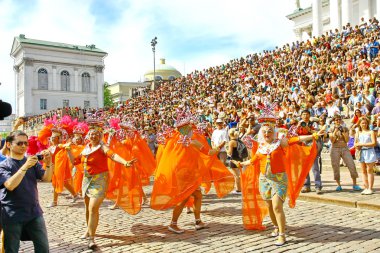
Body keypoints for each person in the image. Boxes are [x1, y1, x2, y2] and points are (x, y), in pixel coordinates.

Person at [232, 104, 320, 246]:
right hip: (264, 179)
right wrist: (241, 164)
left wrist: (312, 135)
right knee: (270, 206)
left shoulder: (280, 143)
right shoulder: (261, 147)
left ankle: (282, 234)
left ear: (274, 131)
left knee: (277, 206)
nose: (267, 134)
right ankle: (276, 226)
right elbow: (253, 161)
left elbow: (295, 140)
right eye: (265, 131)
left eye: (270, 131)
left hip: (279, 179)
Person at [150, 109, 234, 234]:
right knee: (184, 198)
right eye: (190, 128)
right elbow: (209, 153)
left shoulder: (175, 141)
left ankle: (198, 221)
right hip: (187, 175)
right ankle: (173, 224)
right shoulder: (192, 142)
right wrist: (219, 147)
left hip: (183, 173)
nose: (192, 130)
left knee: (197, 196)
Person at [66, 121, 138, 249]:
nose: (93, 136)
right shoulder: (86, 148)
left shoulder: (102, 147)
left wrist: (125, 162)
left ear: (100, 136)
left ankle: (92, 239)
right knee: (88, 208)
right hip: (86, 181)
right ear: (88, 135)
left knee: (93, 208)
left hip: (99, 181)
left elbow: (113, 155)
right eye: (91, 134)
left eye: (96, 134)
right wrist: (68, 151)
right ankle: (88, 230)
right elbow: (74, 161)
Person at [0, 130, 53, 252]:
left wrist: (49, 164)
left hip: (34, 212)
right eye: (19, 143)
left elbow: (46, 179)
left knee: (43, 248)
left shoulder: (31, 162)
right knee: (12, 249)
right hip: (12, 214)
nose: (23, 146)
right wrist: (25, 166)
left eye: (26, 143)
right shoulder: (4, 165)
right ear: (9, 144)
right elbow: (10, 185)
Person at [329, 115, 361, 191]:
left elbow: (347, 140)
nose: (338, 121)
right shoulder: (330, 129)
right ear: (334, 121)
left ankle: (355, 184)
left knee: (351, 165)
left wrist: (343, 132)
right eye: (336, 120)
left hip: (344, 148)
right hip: (335, 148)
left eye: (339, 119)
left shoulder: (345, 128)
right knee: (335, 166)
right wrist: (335, 131)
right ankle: (338, 185)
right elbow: (332, 141)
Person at [354, 117, 377, 195]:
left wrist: (362, 144)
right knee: (363, 171)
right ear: (359, 123)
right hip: (361, 152)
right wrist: (357, 146)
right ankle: (366, 187)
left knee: (369, 170)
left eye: (365, 123)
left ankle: (370, 188)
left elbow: (374, 143)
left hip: (369, 152)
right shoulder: (357, 133)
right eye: (362, 123)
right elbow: (355, 143)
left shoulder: (371, 132)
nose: (364, 124)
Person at [227, 128, 242, 193]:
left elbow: (229, 152)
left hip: (234, 159)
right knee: (239, 174)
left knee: (236, 175)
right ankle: (240, 188)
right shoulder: (239, 140)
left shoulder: (231, 142)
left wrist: (226, 149)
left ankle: (238, 189)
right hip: (240, 159)